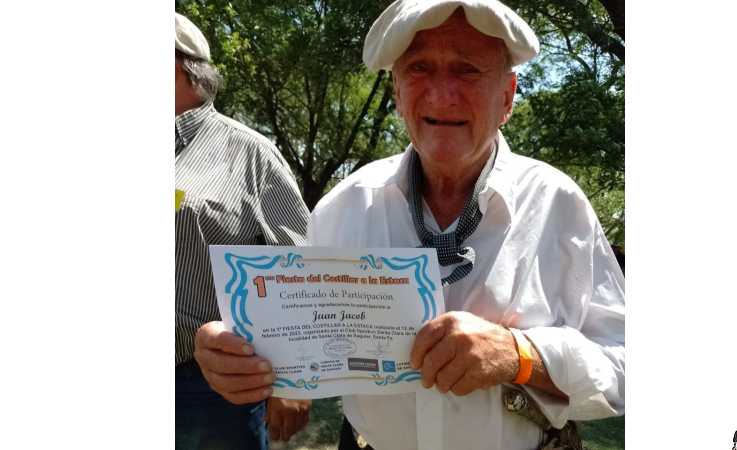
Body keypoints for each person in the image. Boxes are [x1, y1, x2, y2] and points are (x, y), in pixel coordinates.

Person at [195, 1, 625, 449]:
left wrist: (520, 356)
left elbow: (624, 369)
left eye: (468, 70)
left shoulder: (557, 203)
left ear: (507, 96)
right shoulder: (344, 207)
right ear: (397, 92)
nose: (442, 95)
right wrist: (235, 353)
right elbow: (294, 331)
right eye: (420, 68)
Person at [175, 13, 311, 449]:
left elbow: (299, 268)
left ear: (178, 66)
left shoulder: (250, 154)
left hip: (208, 392)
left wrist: (292, 382)